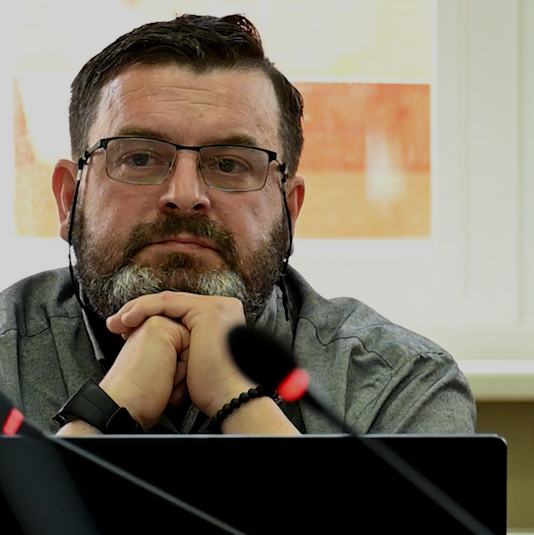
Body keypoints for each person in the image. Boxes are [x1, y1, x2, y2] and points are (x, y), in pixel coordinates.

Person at [0, 14, 475, 436]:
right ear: (69, 199)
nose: (185, 195)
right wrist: (105, 411)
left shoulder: (399, 383)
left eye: (229, 164)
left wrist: (240, 399)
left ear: (289, 211)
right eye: (140, 158)